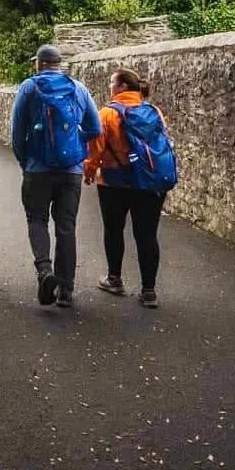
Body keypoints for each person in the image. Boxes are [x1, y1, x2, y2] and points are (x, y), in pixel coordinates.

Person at [11, 44, 101, 308]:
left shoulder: (29, 87)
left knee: (37, 220)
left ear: (38, 64)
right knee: (66, 227)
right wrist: (75, 143)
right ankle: (66, 290)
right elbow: (94, 128)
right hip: (70, 170)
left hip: (37, 169)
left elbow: (17, 131)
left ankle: (44, 272)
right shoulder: (78, 89)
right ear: (60, 65)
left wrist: (24, 160)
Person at [84, 68, 169, 308]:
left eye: (112, 82)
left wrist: (89, 172)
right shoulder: (154, 112)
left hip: (114, 182)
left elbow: (96, 150)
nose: (110, 86)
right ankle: (149, 291)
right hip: (150, 182)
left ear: (121, 87)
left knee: (113, 229)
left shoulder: (107, 114)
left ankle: (115, 278)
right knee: (147, 234)